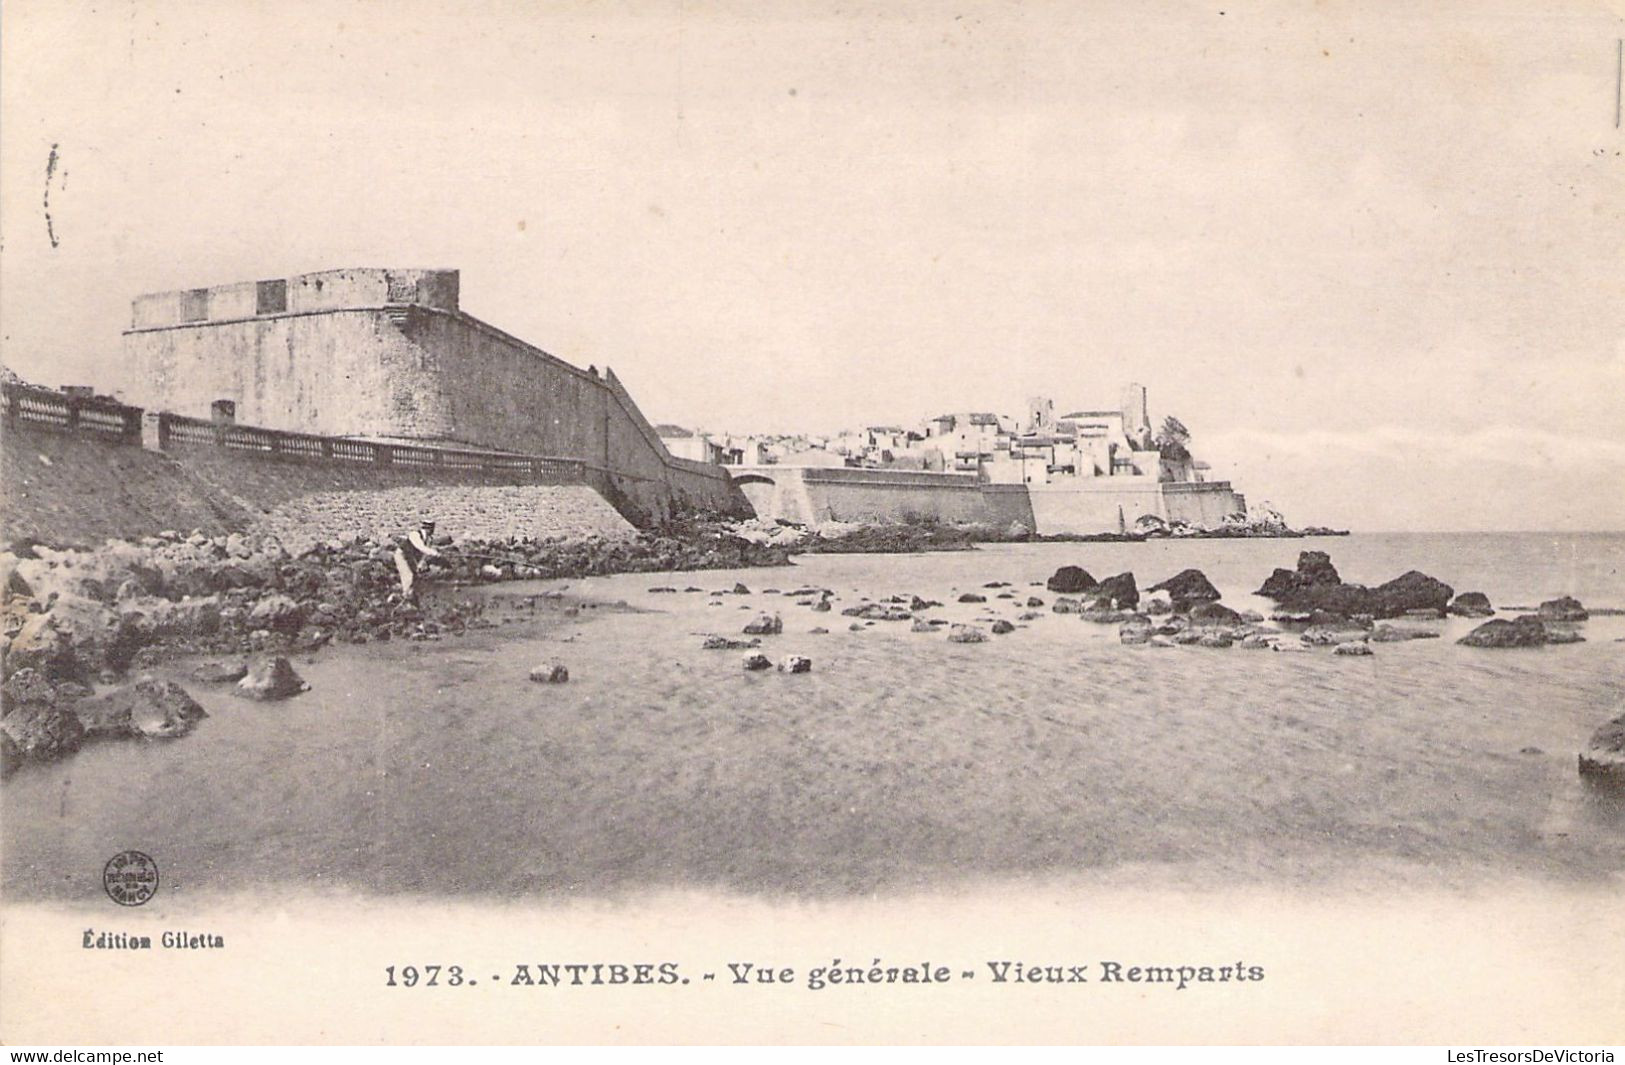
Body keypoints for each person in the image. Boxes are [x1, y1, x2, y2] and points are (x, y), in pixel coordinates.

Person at [393, 519, 443, 600]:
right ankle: (406, 597)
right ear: (427, 528)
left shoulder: (429, 539)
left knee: (416, 575)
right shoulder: (414, 535)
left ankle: (412, 594)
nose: (432, 530)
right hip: (402, 555)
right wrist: (434, 553)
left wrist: (420, 563)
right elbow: (420, 547)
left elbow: (424, 555)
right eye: (430, 528)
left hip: (412, 557)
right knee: (408, 575)